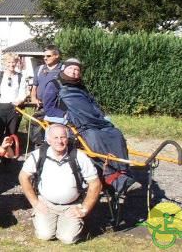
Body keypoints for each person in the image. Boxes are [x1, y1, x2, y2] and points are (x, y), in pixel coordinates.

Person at [42, 58, 138, 194]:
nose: (74, 72)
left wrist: (102, 116)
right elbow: (49, 108)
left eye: (77, 70)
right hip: (78, 122)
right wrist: (65, 116)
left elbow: (93, 104)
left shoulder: (81, 87)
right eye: (71, 69)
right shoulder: (54, 84)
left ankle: (123, 171)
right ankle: (113, 177)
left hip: (95, 119)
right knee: (94, 137)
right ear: (64, 69)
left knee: (115, 134)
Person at [18, 124, 101, 244]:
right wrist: (35, 202)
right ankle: (53, 221)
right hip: (46, 204)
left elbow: (95, 183)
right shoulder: (38, 155)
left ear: (68, 139)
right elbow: (23, 177)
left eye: (63, 137)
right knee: (44, 235)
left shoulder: (79, 156)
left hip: (71, 205)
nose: (59, 141)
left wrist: (84, 209)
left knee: (67, 239)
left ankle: (74, 223)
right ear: (48, 140)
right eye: (55, 138)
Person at [0, 53, 27, 147]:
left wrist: (19, 101)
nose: (11, 64)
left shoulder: (20, 77)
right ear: (5, 63)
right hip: (1, 107)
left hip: (14, 108)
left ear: (17, 63)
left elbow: (23, 93)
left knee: (11, 134)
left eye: (13, 62)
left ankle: (8, 159)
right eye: (9, 62)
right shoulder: (0, 76)